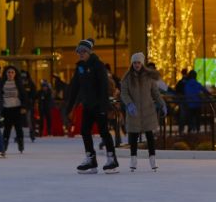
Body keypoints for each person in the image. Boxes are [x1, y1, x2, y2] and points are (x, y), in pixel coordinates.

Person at [66, 38, 118, 174]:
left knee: (104, 132)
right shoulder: (80, 67)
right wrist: (69, 107)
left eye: (83, 51)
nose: (81, 54)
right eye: (79, 52)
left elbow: (103, 87)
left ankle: (112, 159)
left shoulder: (98, 65)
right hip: (87, 106)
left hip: (99, 105)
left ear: (89, 52)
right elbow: (74, 88)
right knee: (84, 131)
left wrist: (104, 107)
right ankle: (91, 160)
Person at [121, 52, 165, 172]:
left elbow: (155, 92)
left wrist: (162, 103)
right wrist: (129, 103)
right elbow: (124, 93)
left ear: (142, 63)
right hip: (134, 111)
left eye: (138, 62)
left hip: (147, 110)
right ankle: (133, 159)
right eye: (135, 63)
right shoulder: (127, 78)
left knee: (150, 136)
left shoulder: (148, 77)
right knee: (133, 137)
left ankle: (152, 159)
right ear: (132, 63)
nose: (137, 65)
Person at [0, 65, 31, 153]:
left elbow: (24, 96)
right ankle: (4, 145)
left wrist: (24, 107)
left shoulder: (18, 83)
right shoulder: (2, 83)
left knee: (18, 128)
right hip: (6, 109)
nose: (10, 74)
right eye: (9, 72)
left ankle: (20, 144)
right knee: (7, 128)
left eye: (12, 72)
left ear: (15, 74)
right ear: (6, 74)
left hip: (17, 109)